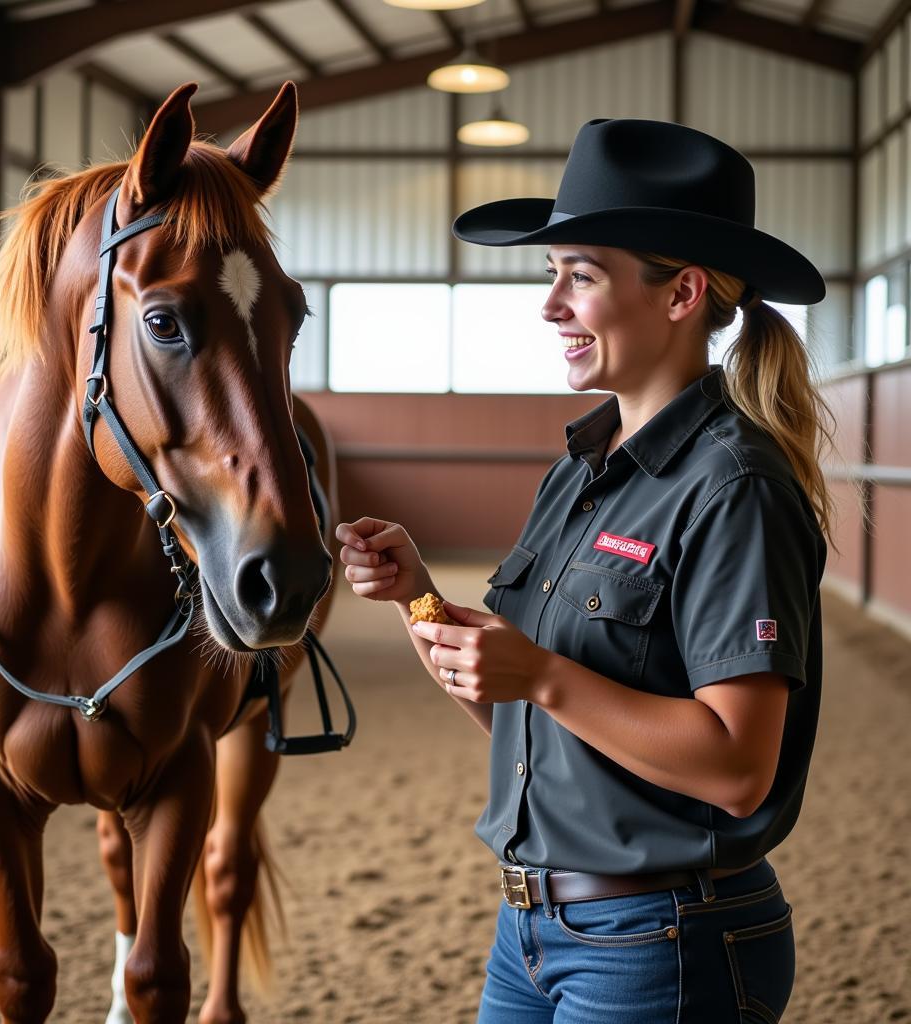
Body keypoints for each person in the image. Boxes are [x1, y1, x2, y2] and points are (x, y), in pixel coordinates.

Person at [336, 117, 845, 1023]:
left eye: (583, 274)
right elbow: (515, 715)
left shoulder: (735, 488)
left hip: (665, 939)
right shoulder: (580, 470)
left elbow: (737, 768)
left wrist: (541, 673)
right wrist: (418, 597)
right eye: (551, 274)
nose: (551, 305)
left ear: (682, 291)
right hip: (531, 932)